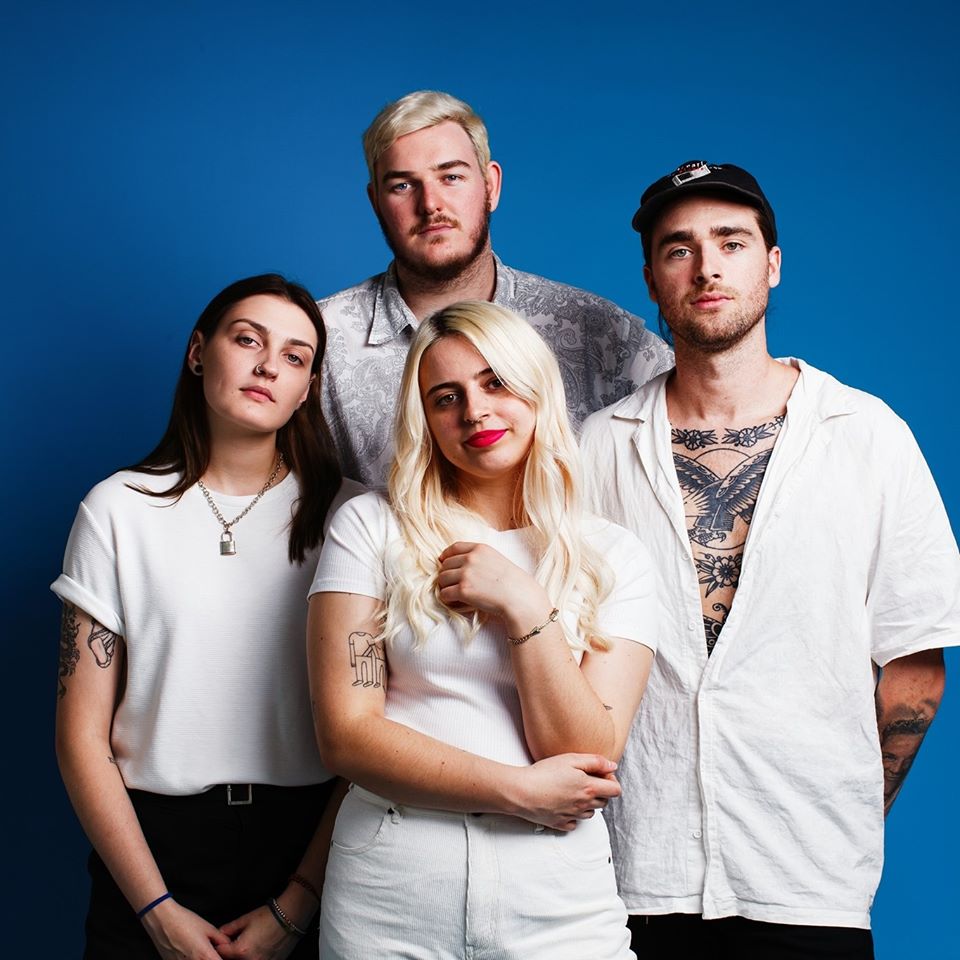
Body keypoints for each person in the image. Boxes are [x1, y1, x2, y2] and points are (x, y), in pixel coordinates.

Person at [580, 161, 960, 958]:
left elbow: (916, 663)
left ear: (773, 263)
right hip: (630, 878)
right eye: (679, 248)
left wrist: (846, 816)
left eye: (732, 242)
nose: (707, 267)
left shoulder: (869, 436)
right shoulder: (595, 448)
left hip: (811, 887)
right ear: (651, 279)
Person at [308, 300, 658, 958]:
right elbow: (346, 736)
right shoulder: (370, 527)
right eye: (446, 398)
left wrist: (525, 607)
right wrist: (517, 791)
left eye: (496, 383)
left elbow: (586, 750)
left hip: (559, 899)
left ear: (536, 388)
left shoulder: (614, 556)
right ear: (425, 420)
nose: (474, 412)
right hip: (391, 895)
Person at [53, 275, 361, 960]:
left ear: (308, 388)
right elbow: (81, 737)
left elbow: (375, 726)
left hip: (312, 846)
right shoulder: (118, 509)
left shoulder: (352, 516)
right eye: (248, 340)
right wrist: (156, 911)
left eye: (294, 356)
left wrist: (298, 904)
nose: (267, 366)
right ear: (198, 352)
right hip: (150, 849)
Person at [318, 89, 673, 485]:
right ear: (375, 202)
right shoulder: (317, 342)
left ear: (491, 185)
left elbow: (707, 414)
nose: (430, 203)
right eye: (402, 185)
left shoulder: (598, 333)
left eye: (451, 177)